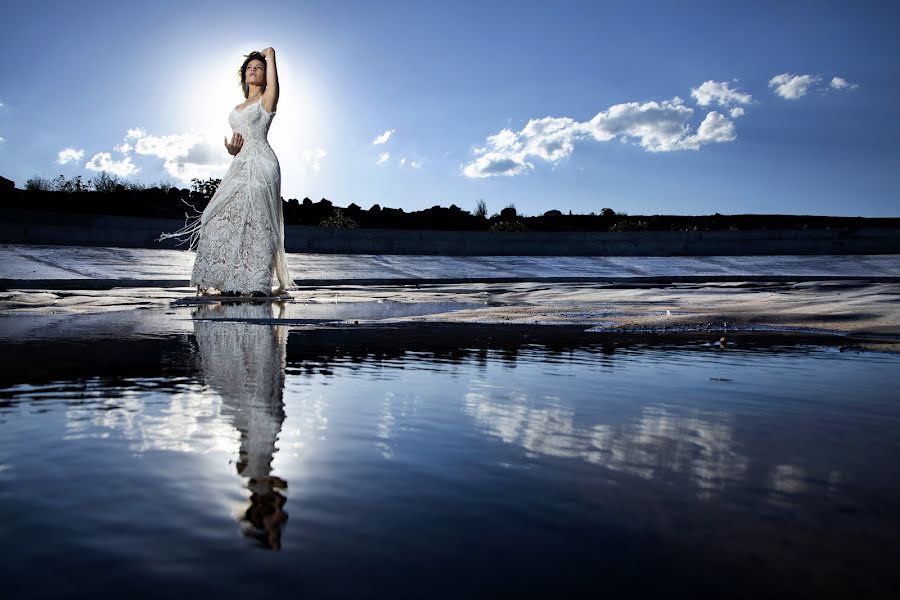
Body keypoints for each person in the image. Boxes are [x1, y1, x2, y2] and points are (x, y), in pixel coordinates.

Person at [159, 47, 293, 297]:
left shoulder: (267, 98)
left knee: (257, 222)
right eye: (250, 68)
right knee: (214, 215)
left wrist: (270, 55)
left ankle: (255, 285)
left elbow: (273, 77)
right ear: (244, 76)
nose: (254, 70)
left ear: (265, 75)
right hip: (239, 164)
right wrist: (232, 150)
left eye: (259, 68)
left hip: (263, 164)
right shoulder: (238, 106)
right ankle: (227, 281)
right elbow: (239, 141)